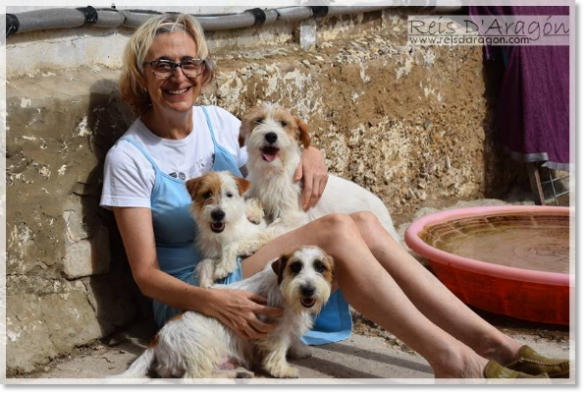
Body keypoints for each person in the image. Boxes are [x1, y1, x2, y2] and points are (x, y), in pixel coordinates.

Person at [101, 13, 569, 379]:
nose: (177, 76)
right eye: (162, 64)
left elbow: (277, 147)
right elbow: (145, 275)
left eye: (188, 63)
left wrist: (313, 152)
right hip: (200, 288)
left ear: (203, 71)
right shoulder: (131, 157)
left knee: (362, 222)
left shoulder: (218, 122)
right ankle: (453, 360)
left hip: (246, 254)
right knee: (337, 230)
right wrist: (214, 303)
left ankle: (494, 344)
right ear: (141, 75)